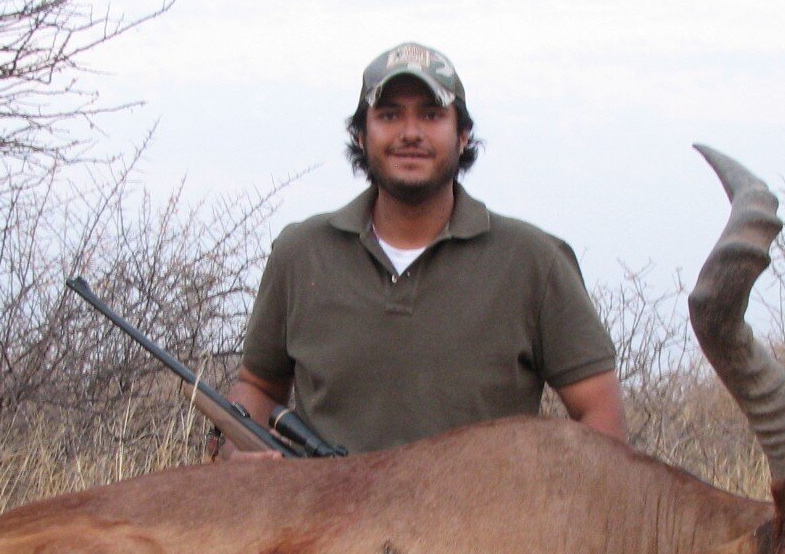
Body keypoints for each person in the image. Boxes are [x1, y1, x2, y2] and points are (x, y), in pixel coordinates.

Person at [221, 42, 627, 458]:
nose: (410, 133)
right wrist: (238, 456)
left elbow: (598, 410)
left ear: (463, 134)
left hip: (482, 520)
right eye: (390, 115)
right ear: (362, 135)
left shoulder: (534, 260)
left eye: (431, 115)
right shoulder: (300, 252)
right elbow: (257, 387)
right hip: (321, 518)